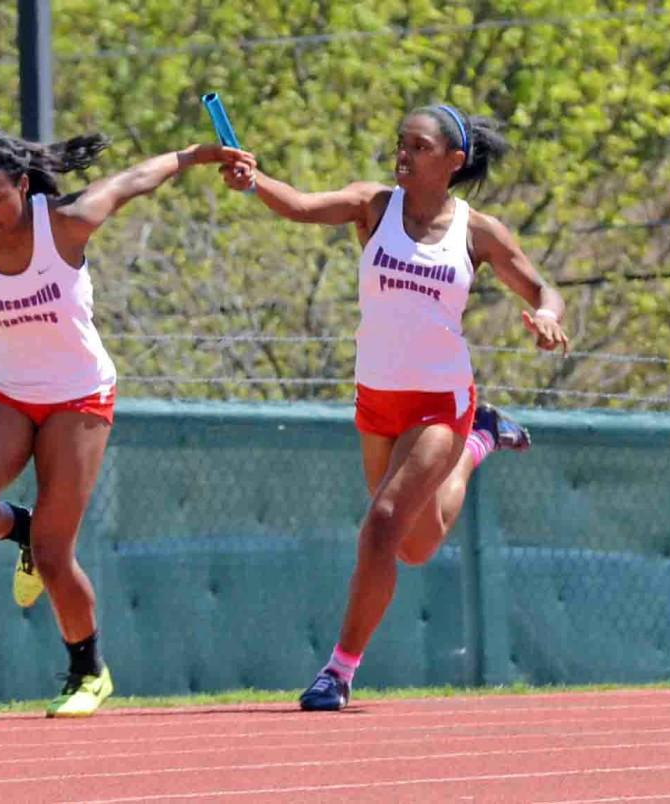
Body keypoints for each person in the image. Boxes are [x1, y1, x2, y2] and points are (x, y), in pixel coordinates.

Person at [0, 130, 254, 717]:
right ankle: (20, 529)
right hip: (7, 392)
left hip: (79, 396)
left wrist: (199, 156)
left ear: (22, 186)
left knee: (55, 554)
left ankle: (87, 672)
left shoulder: (66, 223)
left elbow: (131, 182)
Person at [222, 104, 569, 710]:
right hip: (377, 399)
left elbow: (543, 288)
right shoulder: (373, 206)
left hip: (440, 400)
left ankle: (338, 672)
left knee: (382, 524)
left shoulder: (477, 231)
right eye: (400, 142)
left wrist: (546, 316)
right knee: (414, 545)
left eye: (418, 146)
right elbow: (301, 205)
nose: (403, 154)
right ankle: (479, 445)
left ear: (453, 162)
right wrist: (254, 181)